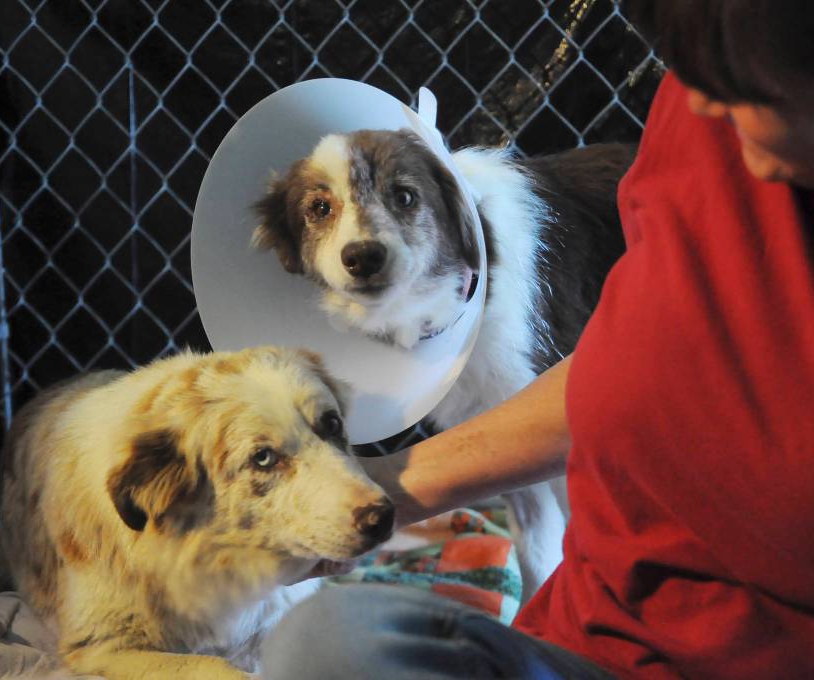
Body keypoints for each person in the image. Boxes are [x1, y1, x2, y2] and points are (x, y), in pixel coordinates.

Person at [260, 1, 814, 677]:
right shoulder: (694, 128)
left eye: (737, 83)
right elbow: (621, 365)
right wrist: (383, 490)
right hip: (594, 633)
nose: (696, 96)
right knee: (325, 645)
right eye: (690, 67)